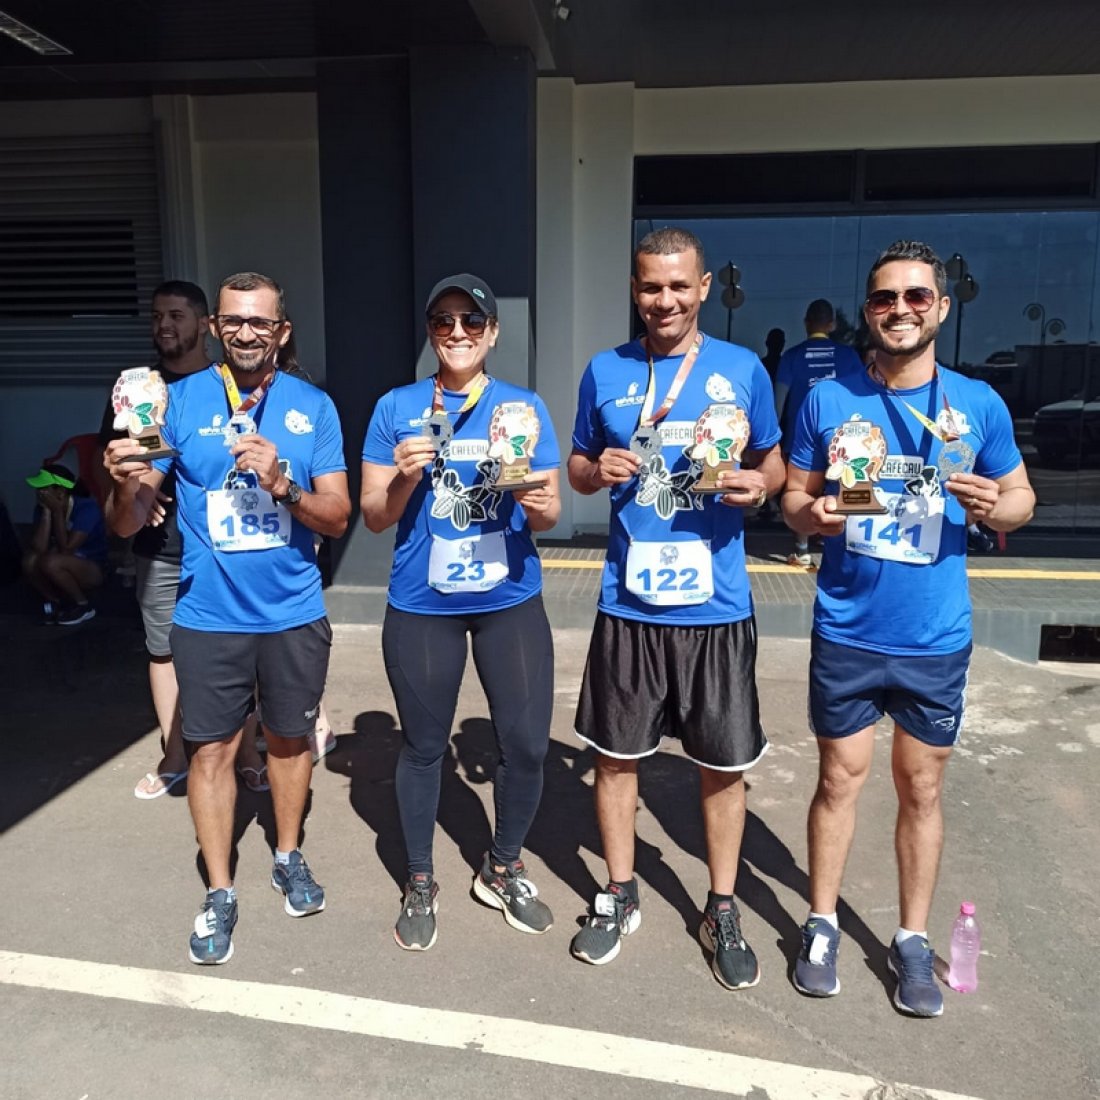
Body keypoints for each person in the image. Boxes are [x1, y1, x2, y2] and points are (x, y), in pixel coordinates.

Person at [782, 240, 1035, 1017]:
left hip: (933, 637)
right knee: (837, 781)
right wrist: (813, 515)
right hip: (849, 628)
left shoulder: (977, 406)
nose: (900, 310)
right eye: (886, 298)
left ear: (941, 307)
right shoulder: (829, 401)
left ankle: (912, 939)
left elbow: (1022, 496)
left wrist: (1001, 508)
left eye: (916, 298)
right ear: (868, 311)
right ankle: (821, 923)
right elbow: (793, 497)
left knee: (920, 789)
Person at [104, 271, 350, 965]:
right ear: (216, 327)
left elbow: (336, 516)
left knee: (288, 742)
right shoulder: (177, 402)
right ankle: (219, 889)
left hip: (293, 611)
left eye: (261, 323)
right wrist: (124, 483)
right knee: (210, 751)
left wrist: (283, 484)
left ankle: (288, 853)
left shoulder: (313, 407)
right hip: (209, 615)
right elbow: (126, 524)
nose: (247, 333)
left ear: (282, 331)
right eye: (235, 321)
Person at [566, 227, 784, 988]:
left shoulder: (742, 368)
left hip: (715, 605)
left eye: (679, 286)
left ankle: (720, 904)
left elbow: (774, 460)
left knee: (721, 768)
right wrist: (596, 470)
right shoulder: (606, 370)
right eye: (651, 287)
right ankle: (620, 890)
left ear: (703, 287)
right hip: (629, 601)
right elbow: (577, 464)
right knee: (616, 758)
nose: (665, 300)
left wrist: (763, 487)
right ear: (635, 289)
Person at [361, 273, 560, 952]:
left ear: (492, 332)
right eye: (443, 321)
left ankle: (502, 865)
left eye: (471, 322)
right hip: (423, 604)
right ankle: (420, 877)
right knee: (422, 746)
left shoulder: (523, 408)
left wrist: (530, 493)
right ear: (429, 331)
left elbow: (553, 511)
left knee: (528, 744)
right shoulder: (397, 407)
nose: (456, 333)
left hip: (510, 598)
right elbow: (373, 516)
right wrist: (405, 475)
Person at [95, 280, 240, 799]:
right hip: (160, 549)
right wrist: (132, 486)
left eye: (177, 316)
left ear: (204, 325)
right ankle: (174, 753)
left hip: (225, 546)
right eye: (158, 317)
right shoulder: (138, 390)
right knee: (163, 652)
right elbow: (108, 461)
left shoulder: (229, 385)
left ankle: (249, 752)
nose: (165, 326)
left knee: (240, 646)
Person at [774, 300, 863, 567]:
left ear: (806, 322)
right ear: (832, 324)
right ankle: (842, 540)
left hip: (801, 437)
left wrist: (776, 436)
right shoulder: (848, 357)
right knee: (842, 486)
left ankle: (802, 548)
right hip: (845, 438)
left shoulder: (791, 357)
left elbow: (779, 399)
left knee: (802, 490)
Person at [22, 462, 106, 624]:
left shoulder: (86, 508)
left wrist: (58, 511)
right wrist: (47, 513)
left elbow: (67, 548)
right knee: (30, 561)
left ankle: (82, 605)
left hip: (92, 567)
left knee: (51, 562)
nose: (39, 493)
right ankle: (56, 602)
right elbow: (39, 548)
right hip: (61, 563)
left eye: (44, 488)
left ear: (60, 491)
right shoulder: (41, 508)